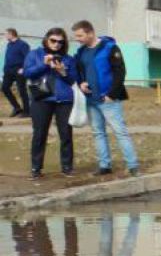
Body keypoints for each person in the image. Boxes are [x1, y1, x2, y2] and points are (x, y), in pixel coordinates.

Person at [71, 20, 140, 177]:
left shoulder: (110, 48)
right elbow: (80, 71)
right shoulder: (81, 51)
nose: (77, 39)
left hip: (108, 99)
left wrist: (111, 94)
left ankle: (133, 165)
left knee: (120, 132)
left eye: (80, 35)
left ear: (90, 33)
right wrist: (81, 83)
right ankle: (104, 165)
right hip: (91, 100)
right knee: (98, 133)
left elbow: (120, 72)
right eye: (76, 36)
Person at [23, 26, 78, 179]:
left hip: (64, 100)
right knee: (40, 134)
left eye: (60, 42)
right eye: (53, 40)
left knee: (66, 134)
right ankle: (36, 168)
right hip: (42, 99)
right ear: (46, 39)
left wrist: (63, 71)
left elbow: (74, 79)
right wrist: (44, 64)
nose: (56, 44)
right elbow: (27, 73)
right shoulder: (34, 54)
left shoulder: (68, 58)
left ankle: (67, 167)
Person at [3, 29, 28, 117]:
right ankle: (17, 107)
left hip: (19, 70)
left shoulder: (22, 44)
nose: (4, 36)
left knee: (22, 91)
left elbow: (28, 57)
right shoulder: (9, 44)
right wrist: (5, 69)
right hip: (8, 71)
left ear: (11, 34)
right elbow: (8, 58)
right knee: (4, 88)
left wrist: (23, 68)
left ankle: (27, 111)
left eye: (6, 34)